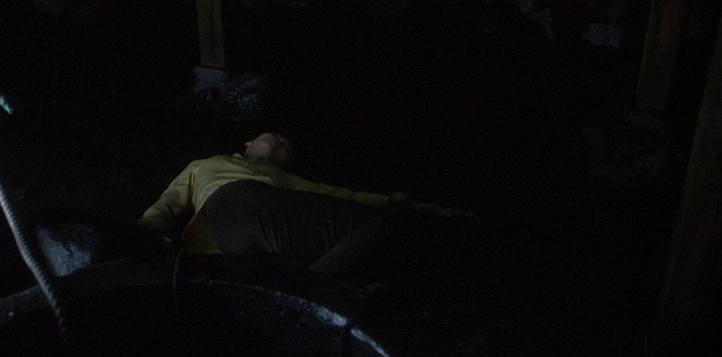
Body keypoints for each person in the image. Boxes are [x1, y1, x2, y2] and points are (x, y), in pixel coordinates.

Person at [134, 132, 478, 282]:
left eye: (286, 145)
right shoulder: (207, 164)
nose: (280, 140)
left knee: (383, 226)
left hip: (243, 257)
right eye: (273, 135)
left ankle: (302, 295)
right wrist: (148, 239)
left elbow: (342, 195)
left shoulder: (286, 180)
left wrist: (414, 205)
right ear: (248, 142)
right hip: (226, 212)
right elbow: (165, 205)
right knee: (386, 226)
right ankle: (310, 293)